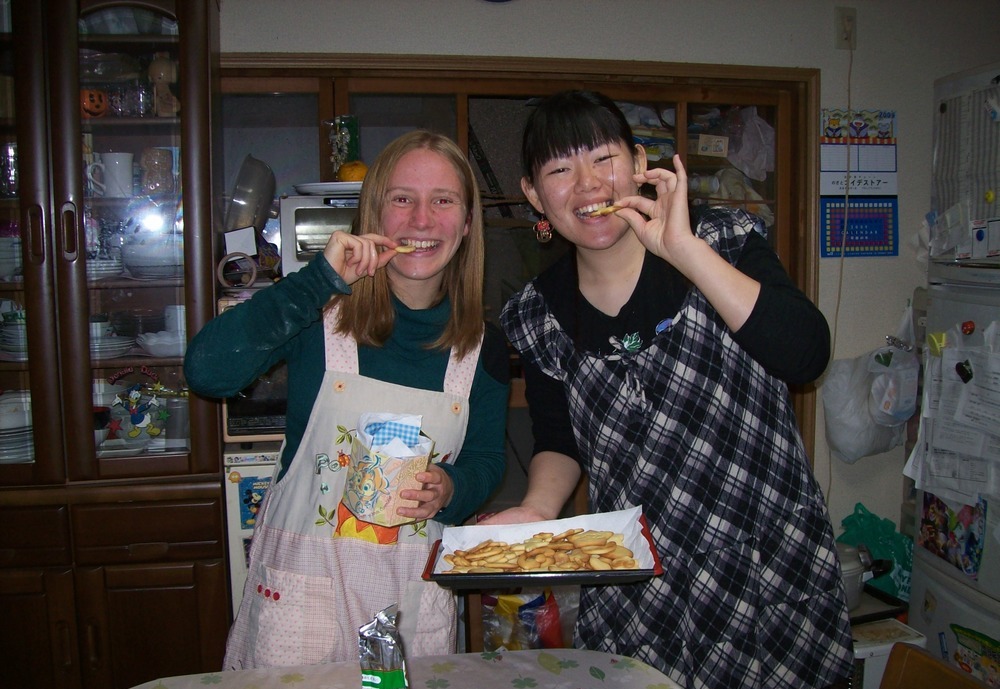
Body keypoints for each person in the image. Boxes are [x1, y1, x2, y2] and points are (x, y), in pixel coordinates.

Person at [485, 91, 853, 688]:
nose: (587, 186)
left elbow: (806, 354)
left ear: (637, 162)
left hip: (766, 569)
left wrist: (685, 252)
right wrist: (534, 511)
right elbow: (558, 440)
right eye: (559, 170)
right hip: (642, 586)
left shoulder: (724, 240)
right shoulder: (537, 312)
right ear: (534, 195)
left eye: (603, 159)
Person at [185, 130, 509, 669]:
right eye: (401, 199)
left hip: (412, 606)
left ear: (468, 223)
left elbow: (486, 461)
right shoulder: (319, 314)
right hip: (302, 602)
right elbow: (206, 371)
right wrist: (317, 281)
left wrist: (453, 487)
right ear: (372, 215)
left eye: (443, 201)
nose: (421, 220)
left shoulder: (481, 347)